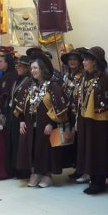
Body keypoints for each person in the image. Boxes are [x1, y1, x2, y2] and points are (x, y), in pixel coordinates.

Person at [15, 54, 69, 188]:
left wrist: (52, 124)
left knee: (45, 150)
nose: (32, 71)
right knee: (32, 148)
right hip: (30, 124)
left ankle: (47, 175)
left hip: (46, 126)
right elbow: (21, 105)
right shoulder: (29, 84)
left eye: (35, 68)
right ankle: (35, 172)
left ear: (42, 69)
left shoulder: (52, 86)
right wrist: (21, 121)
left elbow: (60, 109)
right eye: (31, 68)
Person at [76, 47, 108, 194]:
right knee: (88, 150)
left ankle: (99, 182)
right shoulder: (84, 78)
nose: (84, 62)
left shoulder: (107, 79)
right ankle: (92, 179)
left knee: (98, 151)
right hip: (85, 120)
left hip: (100, 121)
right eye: (84, 59)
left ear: (95, 62)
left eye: (87, 60)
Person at [5, 56, 33, 178]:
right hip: (13, 115)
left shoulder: (29, 81)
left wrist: (20, 116)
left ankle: (23, 170)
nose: (18, 67)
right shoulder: (17, 80)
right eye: (17, 65)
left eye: (21, 66)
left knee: (20, 144)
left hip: (21, 116)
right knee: (13, 141)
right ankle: (13, 168)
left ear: (27, 68)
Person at [60, 47, 85, 181]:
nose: (72, 62)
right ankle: (76, 167)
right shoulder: (65, 76)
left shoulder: (82, 76)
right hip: (67, 113)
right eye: (70, 59)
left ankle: (82, 169)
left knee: (80, 142)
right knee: (72, 142)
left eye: (75, 59)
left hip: (78, 113)